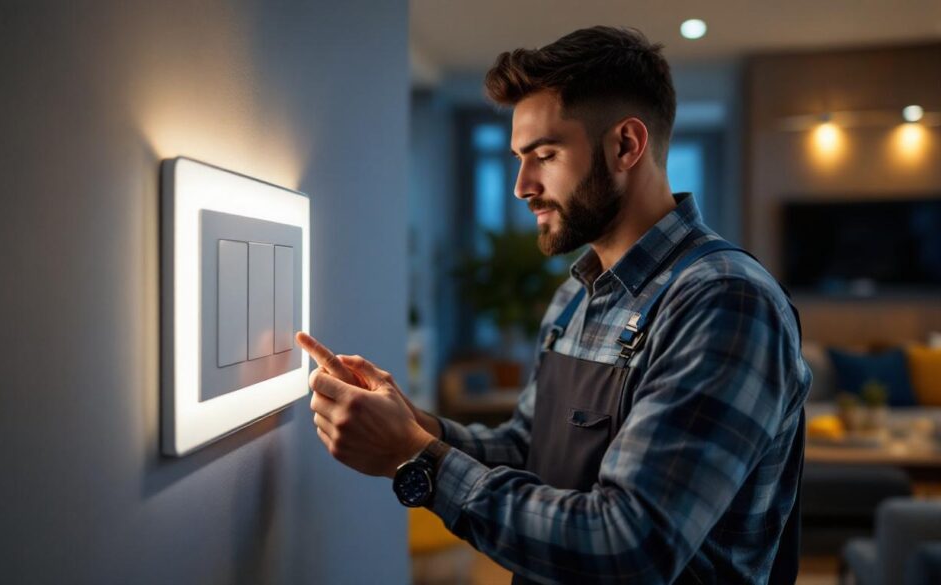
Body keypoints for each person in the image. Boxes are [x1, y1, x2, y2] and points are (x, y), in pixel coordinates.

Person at [298, 25, 811, 585]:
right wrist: (415, 424)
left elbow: (630, 546)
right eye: (520, 158)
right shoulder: (575, 295)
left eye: (544, 154)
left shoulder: (723, 300)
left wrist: (417, 457)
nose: (521, 185)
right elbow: (526, 448)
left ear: (626, 145)